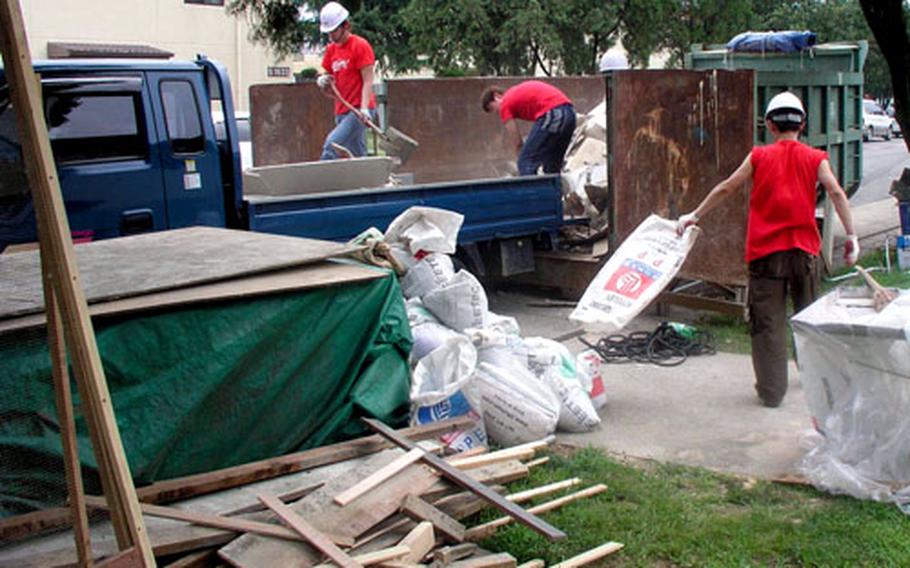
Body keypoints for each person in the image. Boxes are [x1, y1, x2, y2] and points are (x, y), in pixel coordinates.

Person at [676, 91, 859, 408]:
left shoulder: (759, 156)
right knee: (808, 318)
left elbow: (727, 186)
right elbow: (836, 193)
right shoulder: (816, 158)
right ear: (802, 124)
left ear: (770, 126)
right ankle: (815, 377)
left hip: (766, 257)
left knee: (768, 324)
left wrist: (694, 215)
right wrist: (852, 237)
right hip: (804, 254)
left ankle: (772, 392)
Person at [315, 1, 376, 160]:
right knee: (357, 156)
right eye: (328, 32)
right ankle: (368, 183)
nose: (331, 36)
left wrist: (364, 108)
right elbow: (327, 73)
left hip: (358, 111)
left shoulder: (360, 46)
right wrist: (322, 79)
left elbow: (368, 80)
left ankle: (321, 181)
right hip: (341, 110)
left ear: (345, 26)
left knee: (332, 145)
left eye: (333, 31)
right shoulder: (331, 50)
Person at [481, 81, 576, 175]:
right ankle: (553, 189)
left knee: (526, 162)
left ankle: (532, 189)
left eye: (492, 108)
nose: (496, 113)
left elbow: (517, 141)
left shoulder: (505, 103)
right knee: (551, 166)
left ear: (497, 96)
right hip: (570, 114)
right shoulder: (515, 94)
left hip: (553, 113)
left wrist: (521, 160)